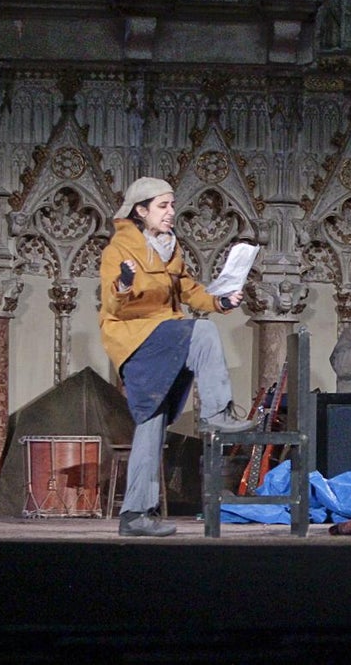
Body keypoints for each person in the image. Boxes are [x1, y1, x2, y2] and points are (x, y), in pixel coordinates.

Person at [99, 177, 257, 537]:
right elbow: (112, 303)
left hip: (165, 336)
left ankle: (135, 514)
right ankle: (217, 412)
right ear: (141, 211)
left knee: (151, 424)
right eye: (162, 206)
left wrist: (220, 301)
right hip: (137, 338)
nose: (171, 212)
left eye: (172, 205)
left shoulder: (170, 247)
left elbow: (189, 291)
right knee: (200, 331)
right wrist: (124, 283)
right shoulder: (120, 249)